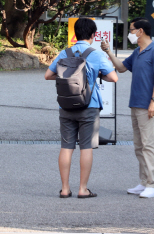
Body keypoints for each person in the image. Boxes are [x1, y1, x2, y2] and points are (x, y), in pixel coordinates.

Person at [45, 17, 118, 199]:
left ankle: (64, 189)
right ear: (93, 35)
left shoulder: (65, 53)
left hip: (66, 105)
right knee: (86, 147)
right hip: (89, 106)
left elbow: (48, 75)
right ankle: (82, 189)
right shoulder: (97, 54)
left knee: (66, 146)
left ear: (75, 34)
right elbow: (113, 77)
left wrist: (66, 78)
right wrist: (94, 77)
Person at [101, 17, 154, 198]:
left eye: (132, 30)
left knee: (148, 145)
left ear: (141, 31)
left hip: (147, 104)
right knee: (139, 146)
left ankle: (153, 183)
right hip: (136, 103)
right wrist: (108, 51)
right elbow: (122, 68)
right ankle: (144, 182)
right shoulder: (138, 51)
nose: (130, 33)